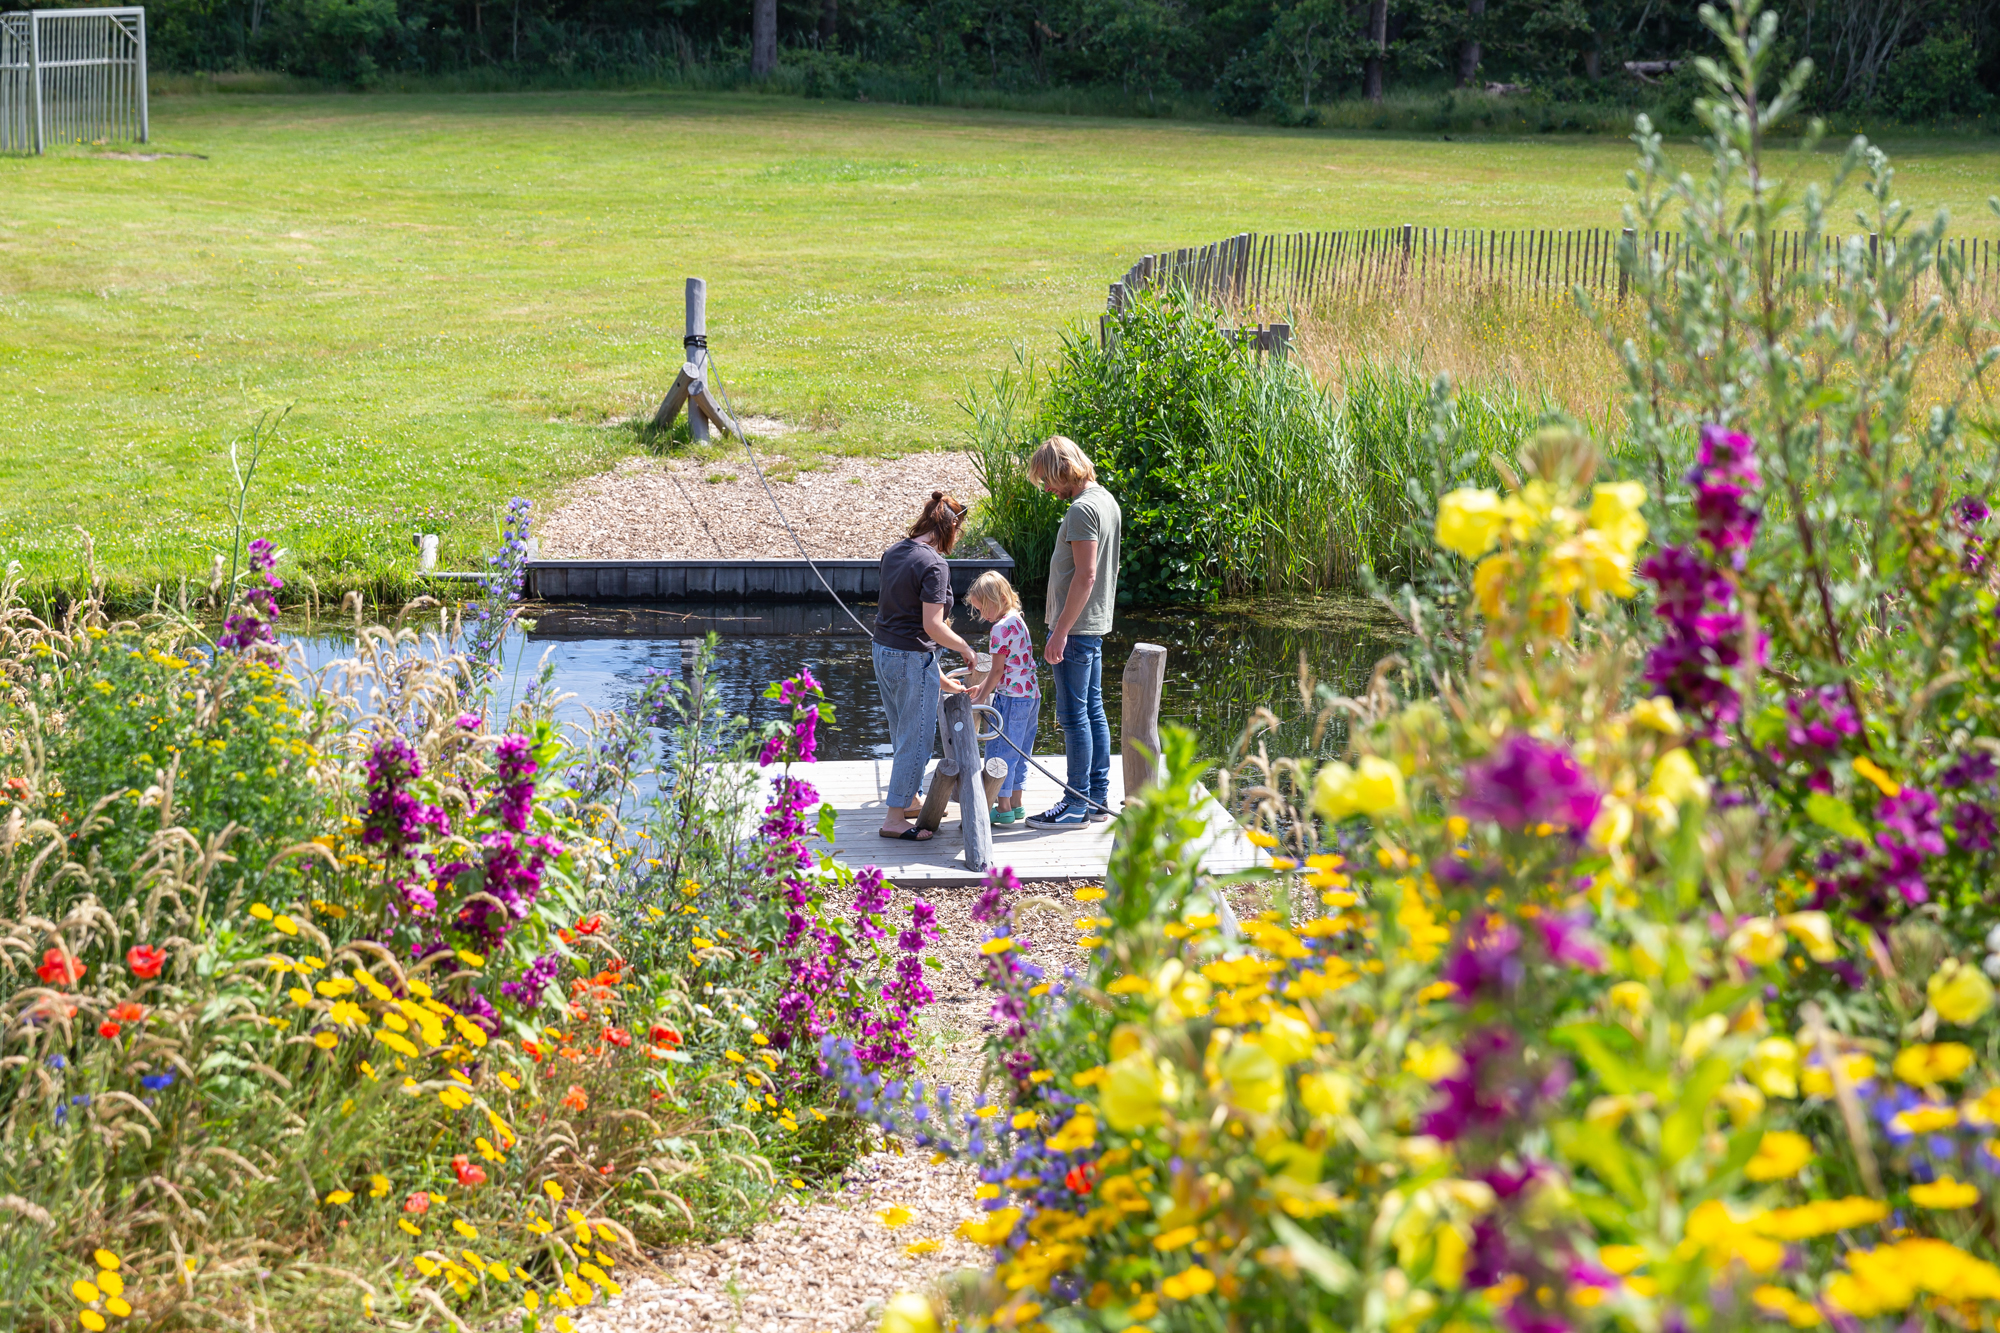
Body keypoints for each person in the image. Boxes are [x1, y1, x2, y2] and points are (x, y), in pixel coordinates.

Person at [1023, 436, 1121, 830]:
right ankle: (1097, 798)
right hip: (1091, 627)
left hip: (1076, 630)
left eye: (1048, 479)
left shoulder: (1082, 509)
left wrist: (1059, 631)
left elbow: (1087, 575)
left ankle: (1076, 803)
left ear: (1064, 469)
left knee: (1073, 717)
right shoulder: (1106, 500)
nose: (1048, 489)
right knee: (1093, 712)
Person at [872, 491, 976, 841]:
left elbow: (903, 619)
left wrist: (939, 676)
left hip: (883, 652)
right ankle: (894, 818)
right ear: (949, 527)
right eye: (958, 533)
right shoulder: (935, 564)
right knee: (915, 739)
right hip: (909, 659)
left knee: (902, 730)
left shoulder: (894, 552)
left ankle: (910, 798)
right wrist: (964, 647)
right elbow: (931, 625)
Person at [964, 571, 1039, 826]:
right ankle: (1017, 803)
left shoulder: (999, 629)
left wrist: (981, 698)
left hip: (1010, 699)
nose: (983, 615)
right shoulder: (1017, 619)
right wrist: (981, 687)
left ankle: (1003, 806)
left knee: (1000, 751)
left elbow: (997, 671)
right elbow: (1009, 667)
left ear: (997, 599)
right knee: (1021, 750)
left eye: (983, 608)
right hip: (1030, 695)